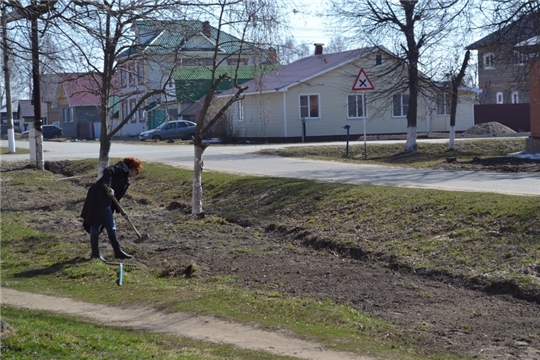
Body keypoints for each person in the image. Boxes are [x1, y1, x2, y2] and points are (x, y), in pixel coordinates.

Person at [80, 157, 143, 261]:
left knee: (110, 225)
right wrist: (108, 186)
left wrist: (121, 211)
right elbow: (107, 170)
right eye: (137, 172)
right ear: (133, 168)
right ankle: (95, 254)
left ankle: (117, 252)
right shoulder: (122, 168)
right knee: (96, 224)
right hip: (98, 197)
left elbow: (116, 197)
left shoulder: (126, 180)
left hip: (106, 201)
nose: (136, 174)